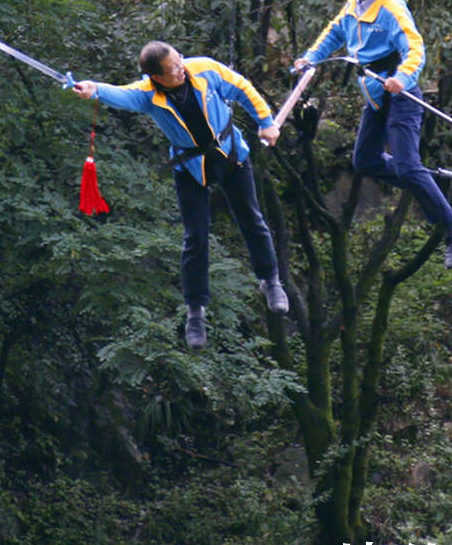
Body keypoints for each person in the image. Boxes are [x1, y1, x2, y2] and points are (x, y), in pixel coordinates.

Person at [72, 42, 290, 349]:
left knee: (252, 220)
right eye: (173, 68)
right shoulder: (149, 94)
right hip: (190, 167)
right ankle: (195, 312)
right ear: (156, 77)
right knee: (195, 238)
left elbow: (241, 86)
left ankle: (271, 281)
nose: (181, 68)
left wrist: (265, 122)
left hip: (230, 155)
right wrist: (93, 89)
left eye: (180, 61)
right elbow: (120, 94)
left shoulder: (204, 69)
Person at [294, 0, 452, 268]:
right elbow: (334, 33)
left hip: (402, 95)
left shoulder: (391, 8)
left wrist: (403, 77)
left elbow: (415, 47)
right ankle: (425, 177)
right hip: (375, 95)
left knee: (406, 164)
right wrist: (310, 59)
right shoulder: (354, 3)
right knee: (365, 161)